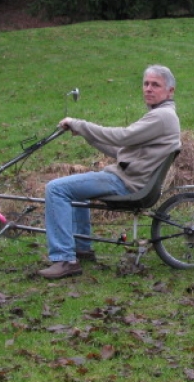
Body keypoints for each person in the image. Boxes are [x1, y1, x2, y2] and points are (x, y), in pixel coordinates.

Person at [38, 65, 181, 279]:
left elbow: (122, 137)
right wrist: (86, 134)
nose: (148, 89)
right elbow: (120, 152)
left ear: (170, 91)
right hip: (131, 179)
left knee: (56, 189)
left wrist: (80, 124)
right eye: (146, 83)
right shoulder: (160, 116)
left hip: (126, 183)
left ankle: (65, 259)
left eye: (155, 85)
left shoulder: (162, 117)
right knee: (75, 189)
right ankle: (81, 249)